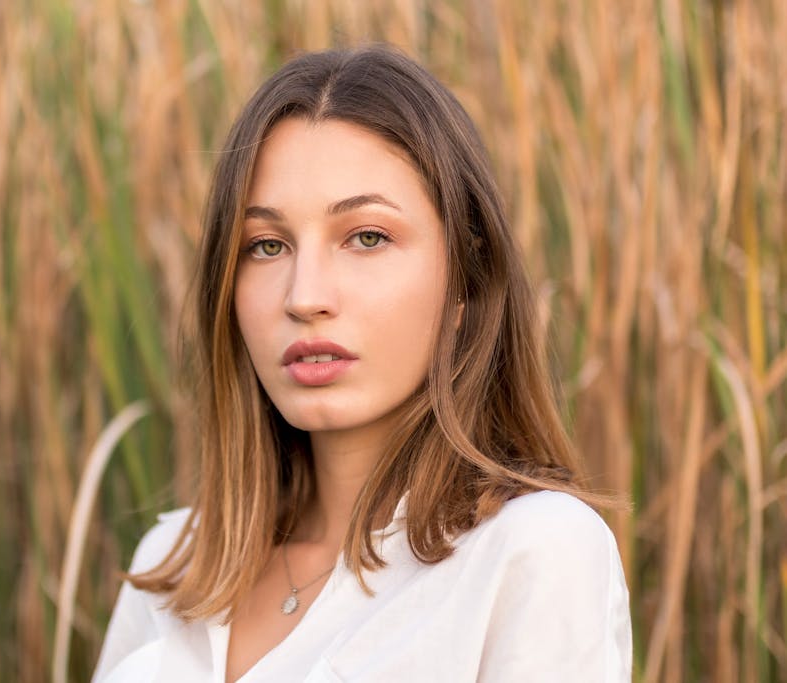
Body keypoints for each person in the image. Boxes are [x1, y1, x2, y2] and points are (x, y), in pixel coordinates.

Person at [92, 44, 632, 682]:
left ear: (466, 281)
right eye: (267, 245)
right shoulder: (175, 564)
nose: (305, 297)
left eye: (367, 237)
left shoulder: (533, 551)